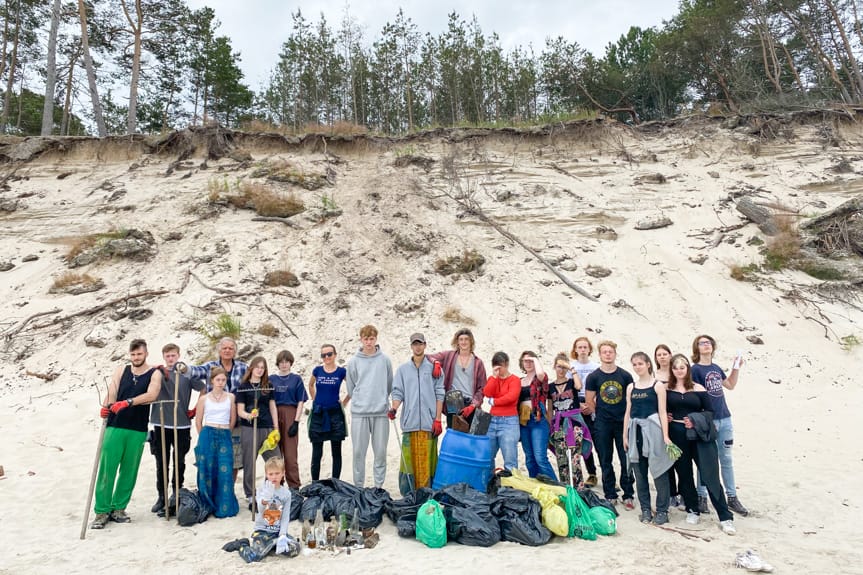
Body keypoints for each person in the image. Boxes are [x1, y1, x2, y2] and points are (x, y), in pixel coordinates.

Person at [90, 339, 163, 529]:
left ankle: (119, 508)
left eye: (139, 354)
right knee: (107, 468)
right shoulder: (121, 370)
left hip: (137, 428)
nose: (136, 358)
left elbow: (152, 394)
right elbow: (112, 392)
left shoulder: (154, 373)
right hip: (115, 425)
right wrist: (106, 407)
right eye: (133, 354)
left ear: (146, 354)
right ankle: (101, 511)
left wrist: (129, 402)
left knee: (129, 470)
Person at [666, 354, 736, 535]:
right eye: (676, 367)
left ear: (688, 369)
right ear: (672, 370)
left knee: (709, 473)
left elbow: (710, 412)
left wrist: (695, 421)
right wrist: (666, 416)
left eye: (683, 367)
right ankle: (692, 509)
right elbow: (662, 409)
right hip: (677, 434)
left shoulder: (698, 388)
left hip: (698, 435)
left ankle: (725, 516)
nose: (679, 370)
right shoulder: (667, 389)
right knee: (684, 473)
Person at [691, 334, 749, 517]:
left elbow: (730, 385)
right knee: (706, 460)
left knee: (726, 459)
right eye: (702, 343)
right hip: (708, 420)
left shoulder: (716, 368)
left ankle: (732, 496)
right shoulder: (695, 370)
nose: (706, 345)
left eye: (708, 342)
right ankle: (702, 496)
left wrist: (736, 368)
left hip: (725, 417)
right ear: (697, 348)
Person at [149, 343, 205, 515]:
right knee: (161, 461)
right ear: (164, 357)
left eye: (173, 355)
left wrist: (195, 408)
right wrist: (156, 368)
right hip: (161, 421)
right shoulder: (158, 373)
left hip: (181, 422)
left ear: (178, 355)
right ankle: (162, 496)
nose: (170, 358)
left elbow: (204, 388)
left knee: (178, 461)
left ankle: (176, 494)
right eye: (167, 356)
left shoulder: (186, 374)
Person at [389, 333, 445, 495]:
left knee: (429, 460)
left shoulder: (435, 369)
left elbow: (440, 393)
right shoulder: (402, 370)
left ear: (425, 345)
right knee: (409, 460)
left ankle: (428, 493)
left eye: (420, 344)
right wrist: (394, 408)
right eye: (415, 344)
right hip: (410, 423)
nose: (417, 347)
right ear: (411, 346)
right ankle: (409, 494)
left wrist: (438, 419)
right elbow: (398, 392)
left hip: (429, 423)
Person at [187, 337, 249, 483]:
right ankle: (214, 489)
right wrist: (184, 368)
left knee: (233, 459)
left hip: (235, 421)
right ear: (219, 350)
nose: (227, 351)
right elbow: (195, 371)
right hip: (213, 422)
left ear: (235, 351)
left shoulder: (243, 368)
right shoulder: (210, 367)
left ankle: (229, 488)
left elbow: (254, 382)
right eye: (224, 348)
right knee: (213, 458)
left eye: (230, 348)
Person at [623, 352, 673, 525]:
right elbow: (628, 412)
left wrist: (665, 435)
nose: (638, 367)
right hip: (635, 432)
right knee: (640, 473)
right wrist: (625, 435)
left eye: (640, 364)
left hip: (654, 432)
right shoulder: (631, 387)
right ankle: (645, 509)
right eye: (634, 364)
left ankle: (662, 510)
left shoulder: (657, 386)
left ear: (648, 365)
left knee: (659, 472)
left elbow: (662, 411)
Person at [585, 340, 635, 508]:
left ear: (615, 353)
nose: (607, 354)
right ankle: (610, 493)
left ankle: (628, 493)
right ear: (599, 354)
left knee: (625, 458)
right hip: (602, 423)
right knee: (605, 458)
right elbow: (589, 400)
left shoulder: (625, 376)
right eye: (604, 352)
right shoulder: (593, 377)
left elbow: (631, 400)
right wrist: (599, 414)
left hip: (622, 423)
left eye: (610, 351)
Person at [345, 324, 393, 488]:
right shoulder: (353, 361)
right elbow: (351, 387)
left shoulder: (384, 360)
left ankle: (378, 487)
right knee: (359, 452)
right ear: (361, 339)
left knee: (380, 453)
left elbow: (388, 384)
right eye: (366, 339)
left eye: (371, 338)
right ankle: (358, 487)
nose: (369, 342)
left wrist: (380, 400)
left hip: (380, 413)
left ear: (376, 339)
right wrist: (360, 401)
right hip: (359, 413)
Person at [233, 456, 300, 563]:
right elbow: (260, 509)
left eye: (277, 473)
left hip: (277, 532)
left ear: (283, 473)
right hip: (262, 531)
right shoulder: (262, 489)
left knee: (295, 549)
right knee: (253, 557)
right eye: (271, 474)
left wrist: (282, 534)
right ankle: (242, 545)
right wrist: (265, 500)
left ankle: (273, 544)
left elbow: (285, 517)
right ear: (266, 474)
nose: (274, 477)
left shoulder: (286, 494)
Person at [194, 367, 239, 518]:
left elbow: (233, 419)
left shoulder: (231, 397)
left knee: (225, 470)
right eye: (218, 380)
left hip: (225, 433)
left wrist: (226, 432)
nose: (220, 383)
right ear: (212, 380)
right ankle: (207, 504)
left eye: (223, 380)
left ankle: (224, 506)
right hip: (208, 433)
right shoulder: (203, 399)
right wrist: (203, 437)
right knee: (207, 469)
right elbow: (198, 421)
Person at [236, 356, 280, 509]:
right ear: (251, 368)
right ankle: (250, 495)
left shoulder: (268, 386)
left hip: (267, 427)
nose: (260, 370)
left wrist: (276, 428)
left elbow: (273, 407)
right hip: (249, 428)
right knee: (249, 462)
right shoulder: (243, 387)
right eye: (257, 367)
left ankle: (271, 491)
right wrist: (249, 416)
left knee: (275, 460)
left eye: (263, 367)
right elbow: (240, 410)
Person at [428, 328, 487, 427]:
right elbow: (427, 357)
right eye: (461, 339)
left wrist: (473, 405)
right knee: (455, 436)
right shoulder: (449, 355)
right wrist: (436, 362)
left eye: (466, 339)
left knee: (474, 437)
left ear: (471, 341)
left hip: (471, 402)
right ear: (457, 342)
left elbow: (482, 388)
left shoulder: (478, 362)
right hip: (454, 399)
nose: (463, 342)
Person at [308, 344, 348, 481]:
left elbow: (353, 387)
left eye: (329, 354)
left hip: (335, 414)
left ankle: (335, 482)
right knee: (316, 452)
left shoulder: (341, 372)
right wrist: (315, 400)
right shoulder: (317, 370)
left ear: (335, 355)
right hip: (319, 414)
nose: (326, 357)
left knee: (336, 451)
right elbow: (310, 385)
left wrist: (344, 402)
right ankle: (315, 483)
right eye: (323, 355)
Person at [548, 353, 588, 487]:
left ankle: (579, 490)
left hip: (574, 423)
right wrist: (550, 428)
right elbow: (549, 409)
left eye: (563, 367)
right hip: (558, 424)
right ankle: (566, 490)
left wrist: (572, 369)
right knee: (562, 460)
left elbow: (579, 386)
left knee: (575, 459)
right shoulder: (550, 387)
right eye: (559, 367)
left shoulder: (571, 382)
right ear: (554, 367)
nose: (561, 370)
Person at [270, 350, 308, 489]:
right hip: (274, 414)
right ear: (278, 364)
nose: (284, 365)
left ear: (290, 363)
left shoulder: (296, 379)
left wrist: (296, 422)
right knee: (275, 453)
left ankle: (294, 486)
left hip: (291, 414)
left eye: (286, 362)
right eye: (281, 362)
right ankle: (276, 484)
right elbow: (268, 399)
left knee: (291, 455)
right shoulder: (271, 379)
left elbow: (300, 401)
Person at [518, 351, 557, 479]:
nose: (528, 363)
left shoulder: (540, 379)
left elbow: (541, 374)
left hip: (537, 418)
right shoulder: (519, 381)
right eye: (525, 361)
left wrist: (534, 359)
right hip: (523, 421)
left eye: (531, 361)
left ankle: (557, 488)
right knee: (529, 458)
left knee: (540, 457)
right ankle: (536, 487)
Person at [483, 351, 521, 471]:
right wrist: (494, 377)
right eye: (496, 365)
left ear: (507, 364)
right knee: (487, 456)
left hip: (509, 421)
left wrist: (494, 402)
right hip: (492, 420)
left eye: (501, 365)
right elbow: (487, 393)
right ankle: (488, 485)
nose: (500, 368)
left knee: (510, 459)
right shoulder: (492, 379)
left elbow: (511, 397)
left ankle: (510, 487)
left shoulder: (515, 380)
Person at [570, 336, 599, 487]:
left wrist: (591, 404)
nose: (582, 350)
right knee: (582, 442)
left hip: (593, 404)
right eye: (579, 347)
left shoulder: (595, 367)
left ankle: (609, 476)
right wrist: (579, 405)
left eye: (585, 347)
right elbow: (569, 389)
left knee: (599, 441)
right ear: (575, 349)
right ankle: (592, 473)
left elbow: (601, 389)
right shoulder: (571, 367)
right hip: (577, 406)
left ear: (589, 349)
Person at [653, 344, 679, 508]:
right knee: (666, 457)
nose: (662, 357)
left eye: (665, 353)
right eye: (659, 354)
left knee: (681, 459)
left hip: (678, 417)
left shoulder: (678, 372)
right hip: (661, 419)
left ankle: (683, 492)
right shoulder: (653, 375)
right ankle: (671, 493)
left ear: (670, 355)